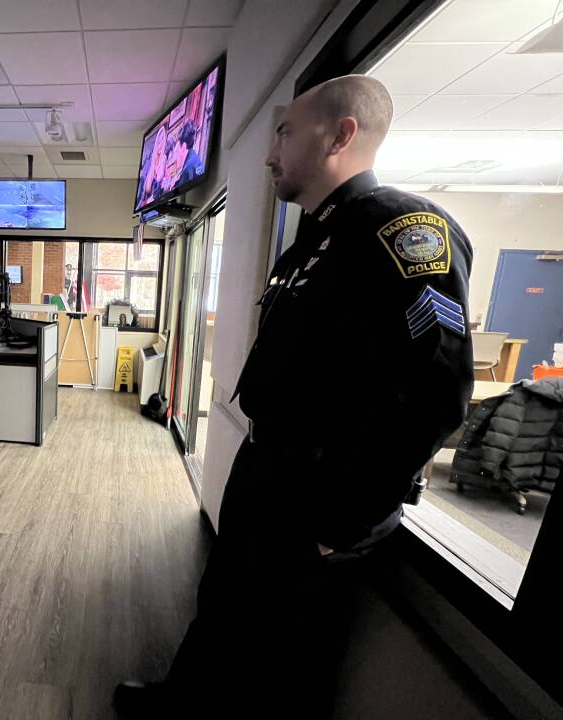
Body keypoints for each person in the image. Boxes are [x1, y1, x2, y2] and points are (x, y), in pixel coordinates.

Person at [113, 74, 473, 718]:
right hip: (269, 471)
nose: (271, 152)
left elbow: (436, 394)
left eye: (283, 132)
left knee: (284, 655)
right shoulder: (316, 238)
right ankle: (183, 702)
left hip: (319, 496)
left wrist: (345, 523)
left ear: (340, 135)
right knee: (223, 602)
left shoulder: (403, 233)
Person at [174, 121, 204, 187]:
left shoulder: (186, 170)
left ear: (184, 147)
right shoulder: (194, 157)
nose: (175, 158)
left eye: (176, 152)